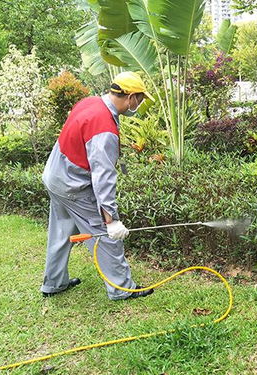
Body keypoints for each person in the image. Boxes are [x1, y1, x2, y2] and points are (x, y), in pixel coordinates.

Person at [40, 71, 155, 300]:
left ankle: (54, 283)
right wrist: (111, 220)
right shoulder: (104, 128)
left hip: (55, 176)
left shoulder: (91, 102)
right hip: (73, 186)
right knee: (106, 238)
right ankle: (122, 288)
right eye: (140, 99)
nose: (139, 104)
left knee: (61, 233)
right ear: (130, 97)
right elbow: (103, 178)